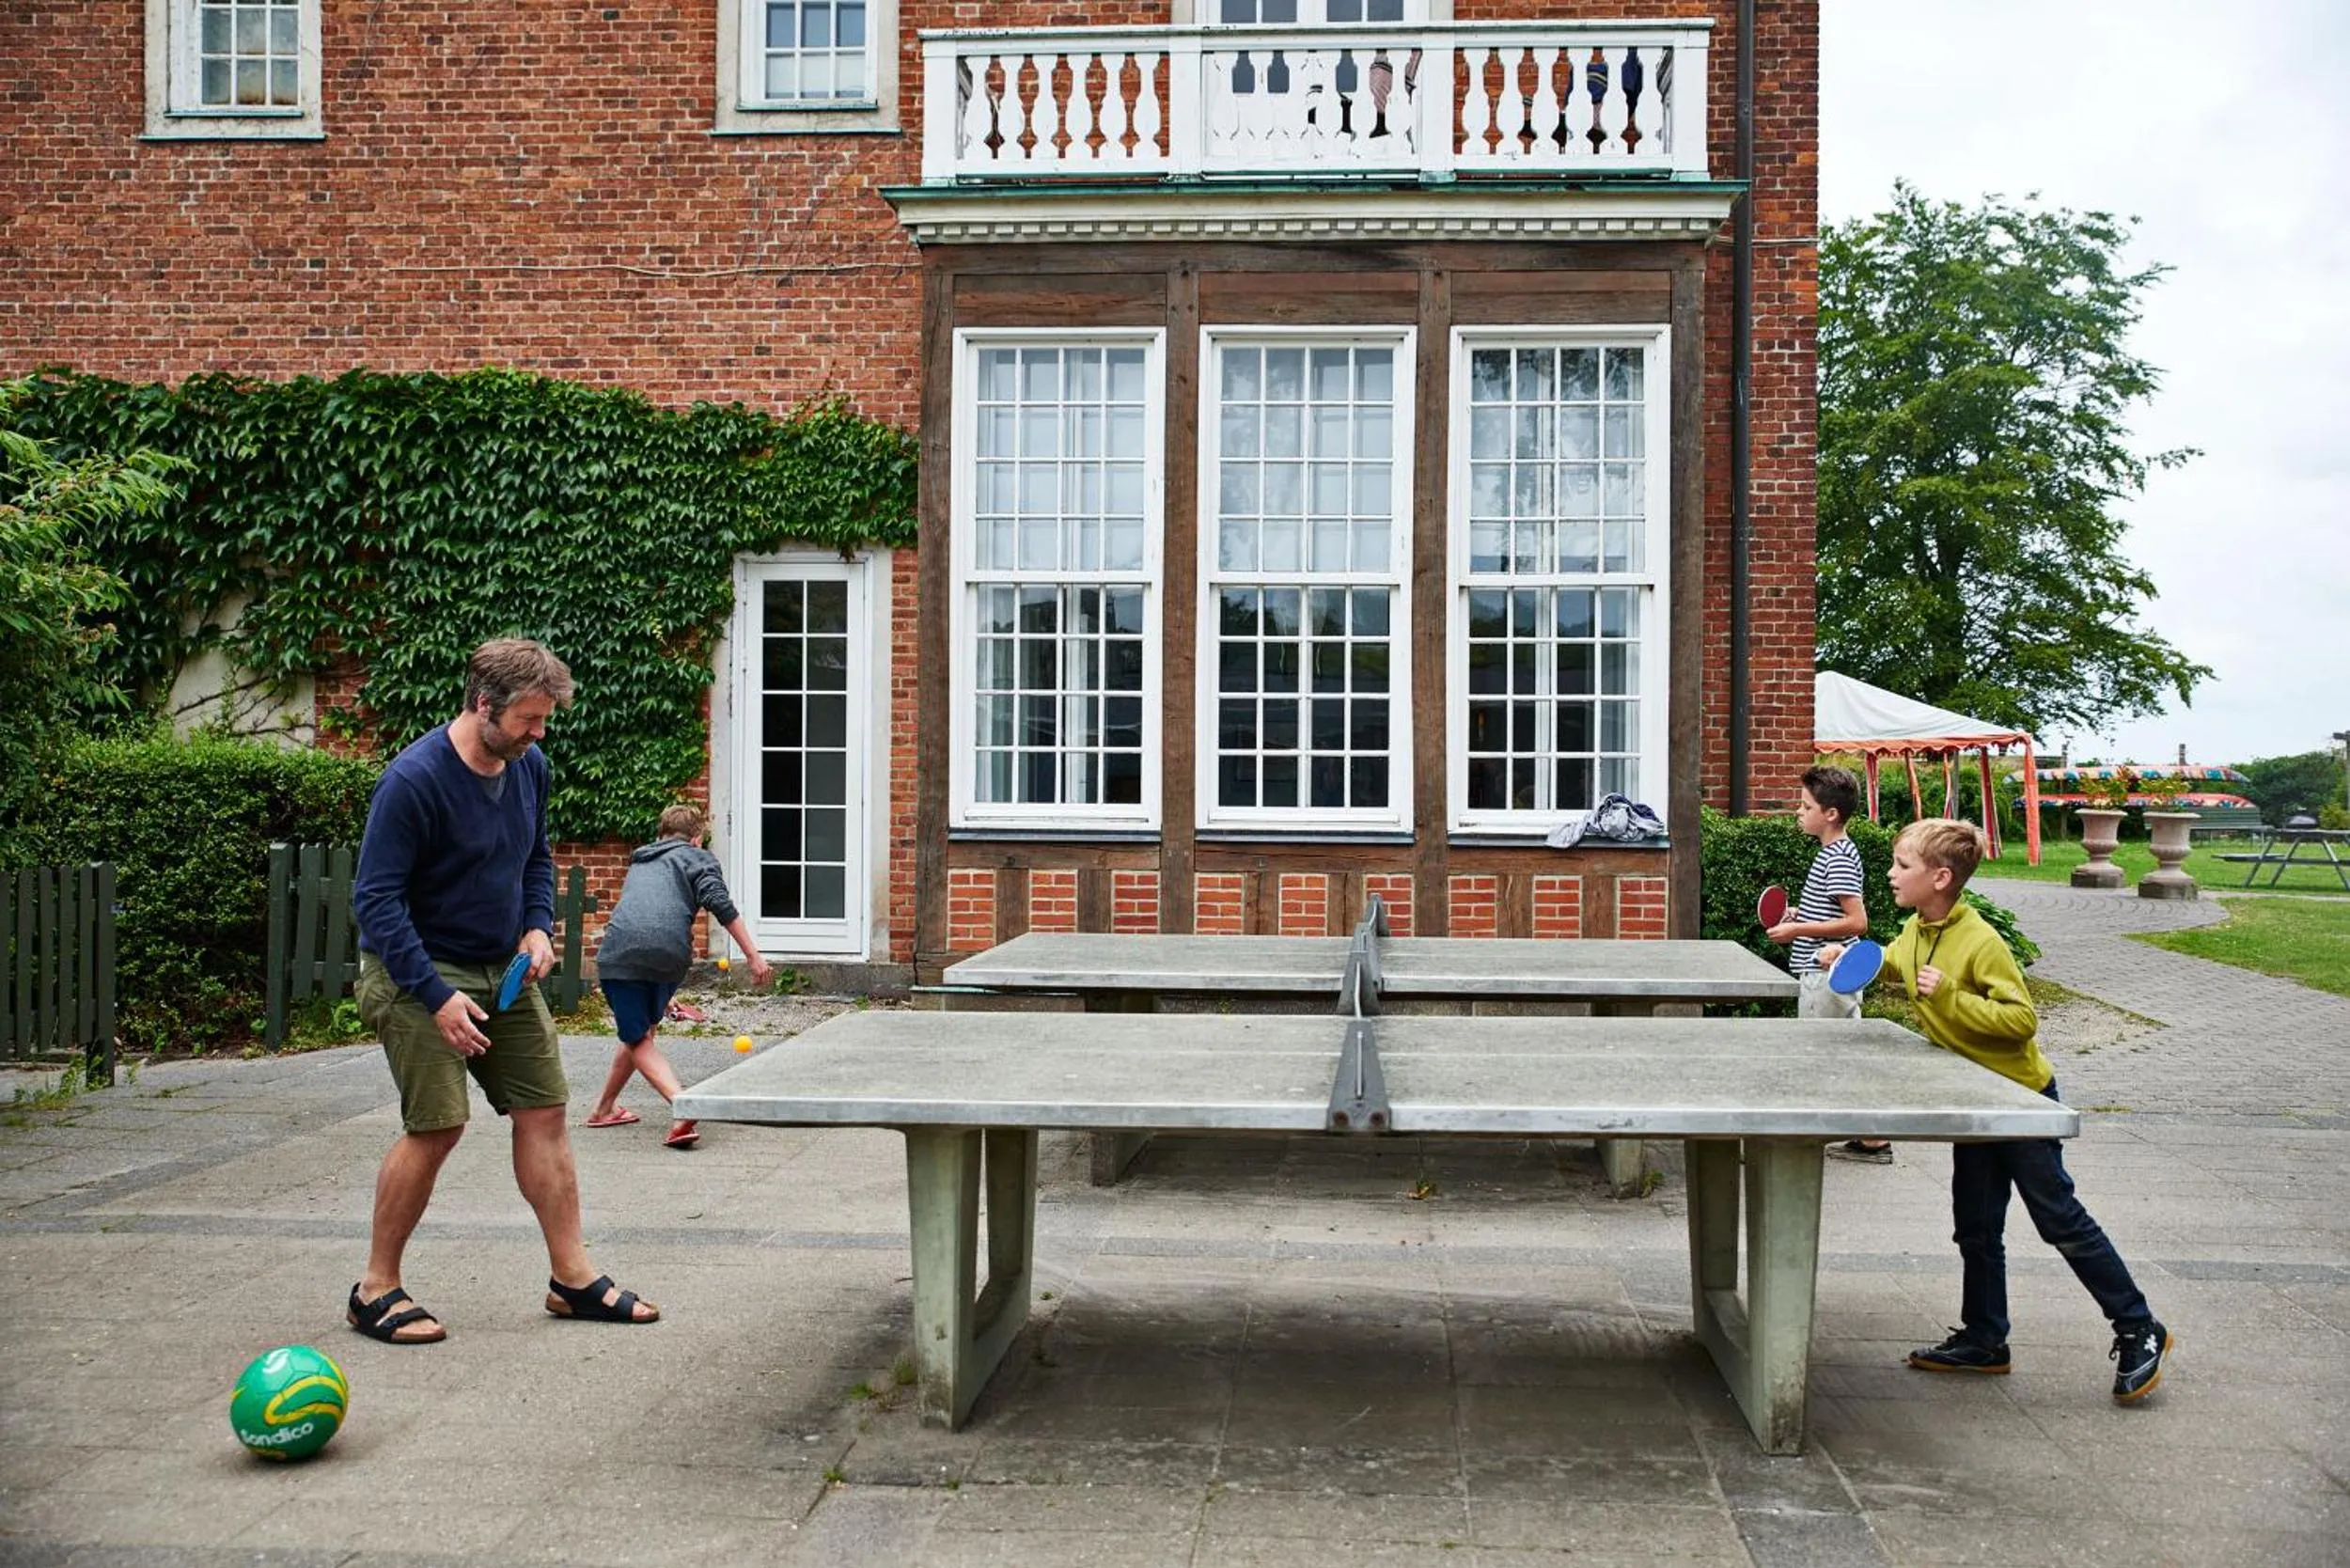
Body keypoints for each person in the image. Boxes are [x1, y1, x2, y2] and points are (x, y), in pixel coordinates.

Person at [346, 637, 659, 1343]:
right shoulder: (414, 781)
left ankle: (571, 1278)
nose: (539, 733)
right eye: (529, 718)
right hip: (417, 969)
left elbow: (535, 856)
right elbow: (378, 902)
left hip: (503, 967)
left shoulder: (529, 767)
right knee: (437, 1126)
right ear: (484, 705)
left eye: (545, 719)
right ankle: (375, 1288)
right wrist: (435, 996)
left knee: (545, 1109)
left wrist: (538, 928)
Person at [1821, 818, 2173, 1403]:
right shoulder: (1918, 927)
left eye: (1902, 865)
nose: (1890, 873)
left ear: (1939, 877)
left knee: (2059, 1218)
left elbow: (2021, 1021)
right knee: (1976, 1226)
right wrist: (1857, 955)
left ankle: (2139, 1328)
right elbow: (1898, 961)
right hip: (1976, 1100)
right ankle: (1986, 1339)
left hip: (2020, 1103)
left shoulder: (1980, 941)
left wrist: (1952, 996)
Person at [585, 804, 773, 1150]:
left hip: (620, 953)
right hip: (669, 955)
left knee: (636, 1035)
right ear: (697, 839)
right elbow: (721, 905)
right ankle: (606, 1108)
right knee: (640, 1034)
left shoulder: (641, 860)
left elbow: (643, 913)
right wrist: (752, 955)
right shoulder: (698, 858)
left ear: (660, 835)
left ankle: (681, 1105)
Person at [1765, 764, 1884, 1162]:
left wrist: (1797, 932)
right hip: (1823, 971)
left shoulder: (1839, 859)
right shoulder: (1833, 854)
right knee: (1842, 1054)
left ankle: (1809, 1142)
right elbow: (1831, 909)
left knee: (1821, 1057)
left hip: (1827, 974)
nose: (1799, 813)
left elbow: (1856, 921)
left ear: (1830, 814)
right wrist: (1801, 913)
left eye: (1805, 806)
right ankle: (1871, 1139)